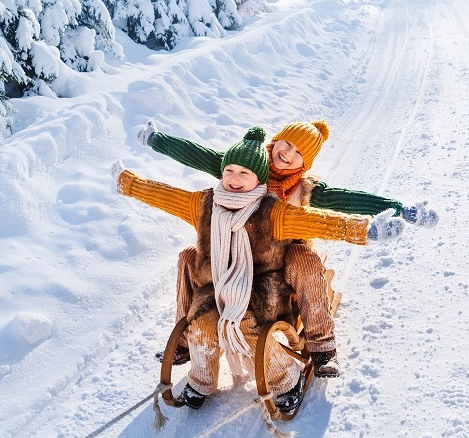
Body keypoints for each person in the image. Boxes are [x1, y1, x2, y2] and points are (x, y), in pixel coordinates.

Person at [113, 127, 404, 413]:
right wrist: (147, 153)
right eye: (285, 145)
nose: (287, 154)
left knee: (300, 260)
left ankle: (318, 346)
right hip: (226, 271)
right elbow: (180, 173)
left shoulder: (288, 201)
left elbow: (329, 215)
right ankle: (194, 356)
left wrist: (379, 223)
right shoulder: (226, 183)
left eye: (298, 152)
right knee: (192, 266)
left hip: (273, 270)